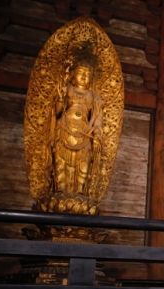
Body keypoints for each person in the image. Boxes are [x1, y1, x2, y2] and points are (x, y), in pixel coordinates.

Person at [51, 58, 104, 196]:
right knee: (60, 160)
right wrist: (61, 98)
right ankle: (60, 189)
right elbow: (57, 112)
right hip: (64, 128)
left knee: (84, 161)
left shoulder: (94, 97)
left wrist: (97, 134)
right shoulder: (67, 90)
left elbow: (98, 118)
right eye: (80, 72)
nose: (84, 76)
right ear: (73, 74)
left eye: (87, 74)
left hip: (84, 133)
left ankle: (80, 191)